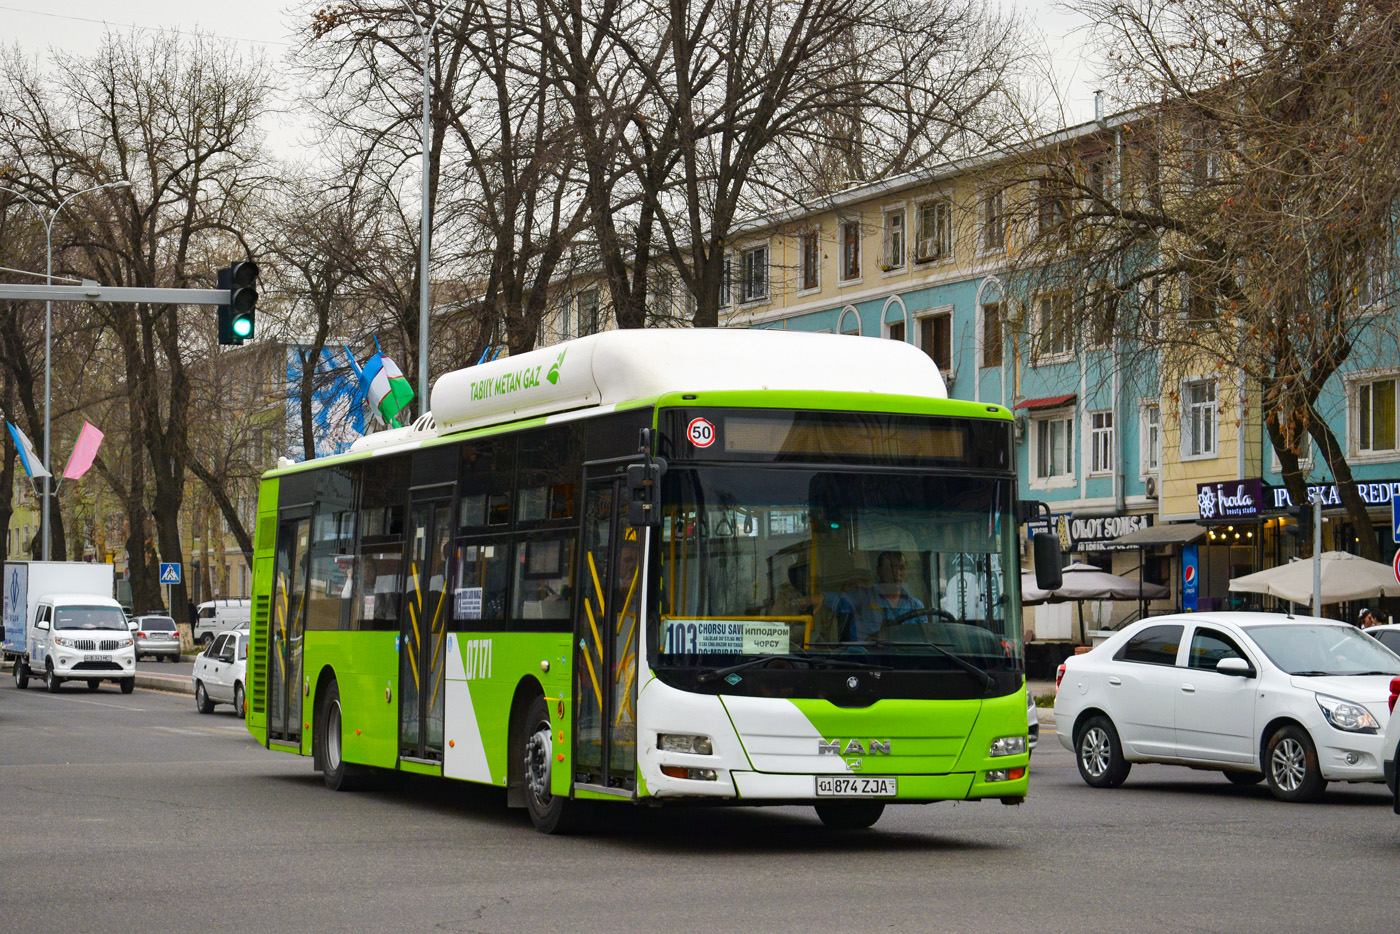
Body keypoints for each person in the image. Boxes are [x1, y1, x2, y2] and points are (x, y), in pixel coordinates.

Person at [831, 551, 924, 642]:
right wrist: (821, 597)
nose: (898, 573)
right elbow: (837, 600)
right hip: (867, 656)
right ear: (879, 571)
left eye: (902, 568)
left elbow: (925, 643)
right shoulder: (863, 598)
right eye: (892, 568)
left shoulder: (916, 606)